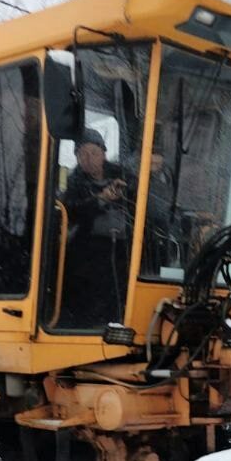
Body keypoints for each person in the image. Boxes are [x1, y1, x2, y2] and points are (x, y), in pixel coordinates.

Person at [57, 128, 135, 328]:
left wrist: (127, 192)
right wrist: (100, 200)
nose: (88, 158)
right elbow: (71, 212)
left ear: (104, 153)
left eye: (93, 152)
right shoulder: (74, 184)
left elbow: (145, 204)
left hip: (124, 250)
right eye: (82, 154)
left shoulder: (125, 176)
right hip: (88, 253)